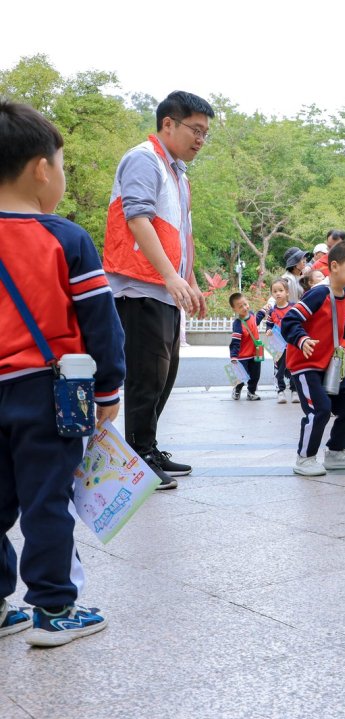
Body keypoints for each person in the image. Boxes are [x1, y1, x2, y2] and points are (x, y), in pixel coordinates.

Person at [0, 100, 124, 646]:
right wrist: (109, 389)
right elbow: (102, 324)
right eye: (63, 165)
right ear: (41, 169)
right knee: (46, 499)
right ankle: (53, 610)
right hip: (48, 393)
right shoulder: (66, 238)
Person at [103, 90, 212, 488]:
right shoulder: (143, 159)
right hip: (138, 286)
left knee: (165, 374)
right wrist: (170, 274)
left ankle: (147, 446)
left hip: (165, 287)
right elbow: (138, 217)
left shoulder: (177, 172)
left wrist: (191, 278)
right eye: (195, 130)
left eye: (205, 133)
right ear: (168, 123)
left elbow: (183, 232)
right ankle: (139, 455)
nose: (200, 139)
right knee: (146, 375)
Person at [280, 242, 345, 477]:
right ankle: (305, 458)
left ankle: (336, 452)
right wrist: (302, 340)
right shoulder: (319, 293)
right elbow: (290, 320)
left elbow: (343, 327)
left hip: (330, 366)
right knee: (319, 409)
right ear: (334, 266)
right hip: (305, 365)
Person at [264, 279, 297, 403]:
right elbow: (269, 325)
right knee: (279, 368)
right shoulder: (272, 311)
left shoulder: (293, 307)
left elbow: (298, 323)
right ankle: (280, 391)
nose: (278, 293)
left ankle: (295, 391)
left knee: (293, 367)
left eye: (281, 290)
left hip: (292, 344)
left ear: (287, 292)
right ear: (272, 294)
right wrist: (268, 331)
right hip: (278, 346)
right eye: (275, 291)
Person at [228, 292, 265, 400]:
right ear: (235, 309)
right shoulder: (238, 323)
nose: (245, 307)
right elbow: (235, 341)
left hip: (256, 352)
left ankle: (251, 392)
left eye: (245, 304)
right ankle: (237, 389)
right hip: (243, 355)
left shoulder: (252, 315)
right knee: (242, 377)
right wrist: (234, 356)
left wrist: (263, 311)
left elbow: (255, 322)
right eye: (240, 306)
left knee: (255, 375)